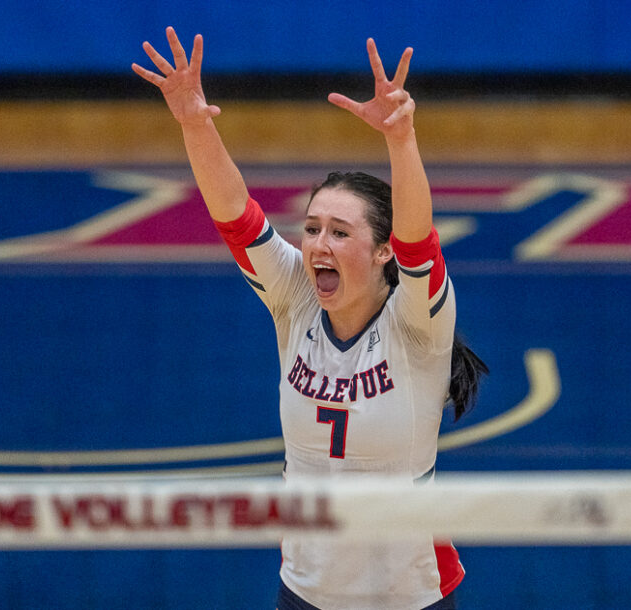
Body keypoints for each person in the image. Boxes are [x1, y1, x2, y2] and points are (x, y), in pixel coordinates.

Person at [133, 27, 487, 610]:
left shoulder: (418, 326)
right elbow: (237, 219)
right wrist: (195, 123)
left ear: (382, 252)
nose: (319, 244)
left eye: (340, 233)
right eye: (314, 227)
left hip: (409, 596)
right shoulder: (295, 297)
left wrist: (402, 139)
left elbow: (420, 241)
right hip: (305, 593)